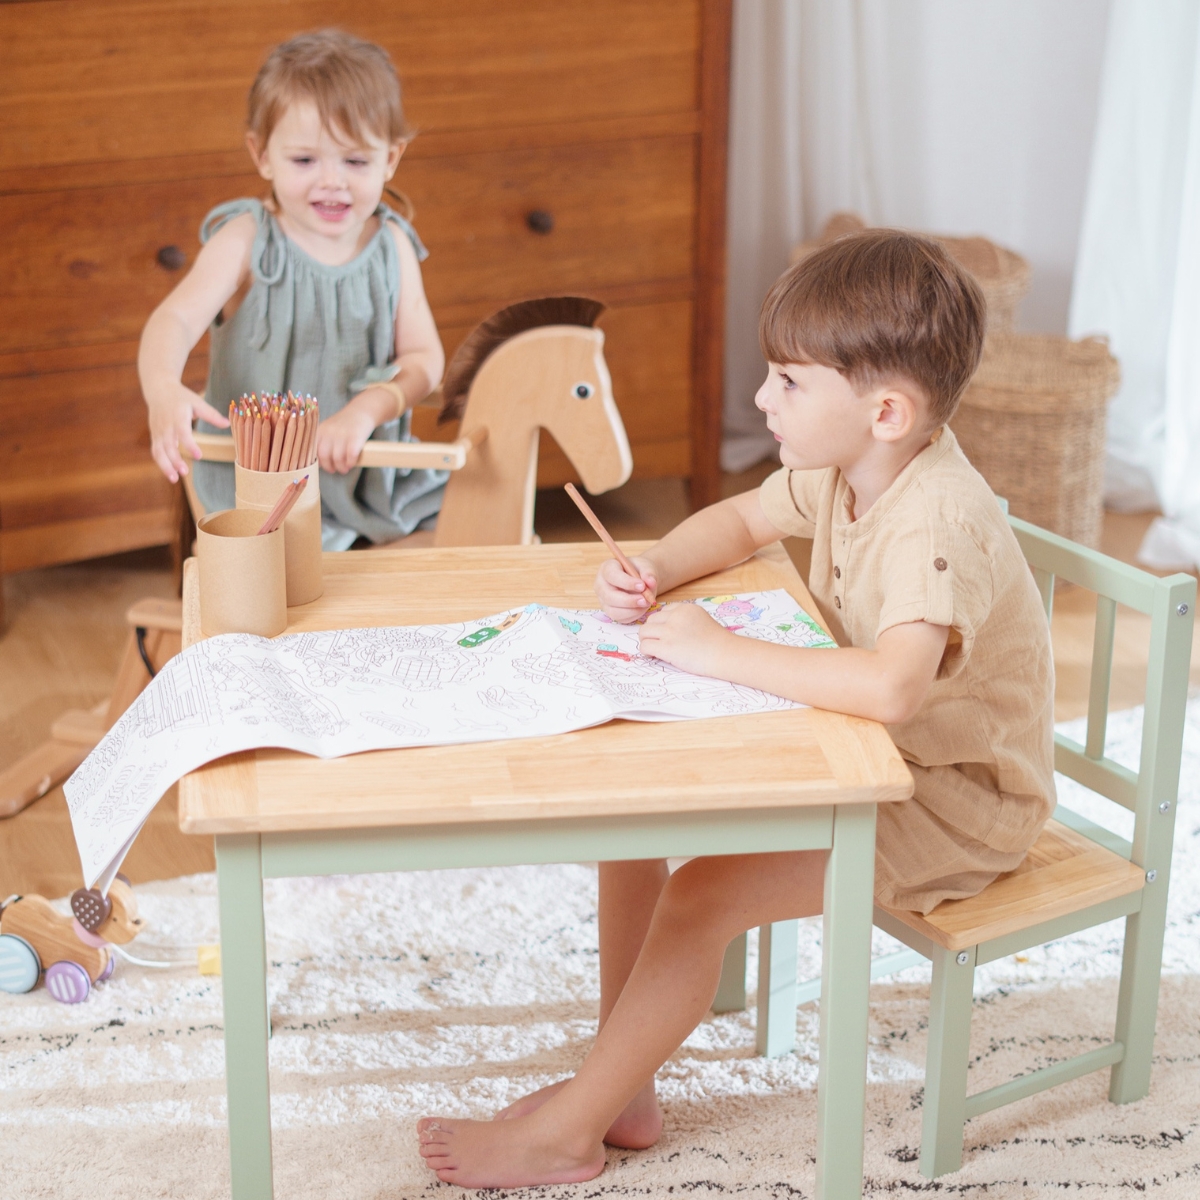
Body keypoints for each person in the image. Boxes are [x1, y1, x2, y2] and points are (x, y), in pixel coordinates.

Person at [416, 229, 1056, 1187]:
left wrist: (723, 652)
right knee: (633, 823)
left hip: (950, 804)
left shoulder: (934, 518)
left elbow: (890, 687)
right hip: (870, 760)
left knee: (700, 895)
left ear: (884, 411)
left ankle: (568, 1133)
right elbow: (748, 517)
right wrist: (657, 567)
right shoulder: (853, 467)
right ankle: (618, 1085)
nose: (762, 398)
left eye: (788, 383)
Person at [139, 29, 447, 548]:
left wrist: (364, 413)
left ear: (390, 159)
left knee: (477, 522)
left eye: (355, 161)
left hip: (368, 475)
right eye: (305, 161)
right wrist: (162, 388)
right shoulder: (248, 240)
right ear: (262, 155)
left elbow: (425, 359)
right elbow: (175, 320)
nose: (332, 181)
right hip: (261, 485)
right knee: (290, 572)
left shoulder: (391, 244)